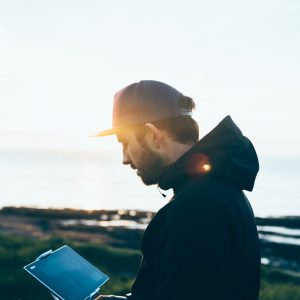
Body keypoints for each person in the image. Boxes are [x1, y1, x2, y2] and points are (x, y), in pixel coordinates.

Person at [95, 80, 260, 300]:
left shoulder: (197, 207)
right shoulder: (215, 189)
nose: (125, 158)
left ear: (153, 134)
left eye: (125, 143)